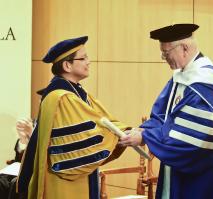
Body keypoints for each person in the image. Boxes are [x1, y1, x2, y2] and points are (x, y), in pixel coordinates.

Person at [119, 24, 213, 199]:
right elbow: (162, 115)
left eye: (166, 53)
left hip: (196, 174)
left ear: (184, 48)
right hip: (177, 168)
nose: (164, 58)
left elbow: (190, 138)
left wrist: (146, 137)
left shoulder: (204, 83)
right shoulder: (182, 76)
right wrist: (143, 130)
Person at [17, 36, 129, 199]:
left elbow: (103, 120)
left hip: (80, 176)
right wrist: (121, 135)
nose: (89, 62)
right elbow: (86, 139)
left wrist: (128, 130)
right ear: (67, 65)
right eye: (83, 58)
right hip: (63, 180)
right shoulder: (61, 98)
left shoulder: (78, 94)